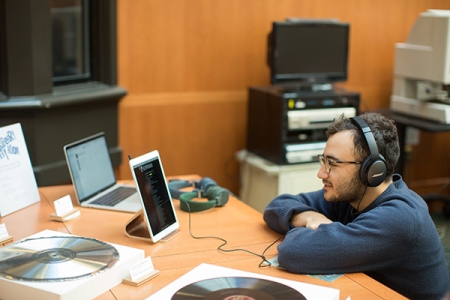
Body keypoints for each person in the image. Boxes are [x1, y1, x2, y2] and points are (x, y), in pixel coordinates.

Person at [263, 112, 450, 300]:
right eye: (323, 160)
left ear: (371, 170)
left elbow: (293, 252)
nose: (321, 174)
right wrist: (310, 217)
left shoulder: (399, 217)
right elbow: (276, 206)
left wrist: (315, 229)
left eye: (332, 164)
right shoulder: (351, 195)